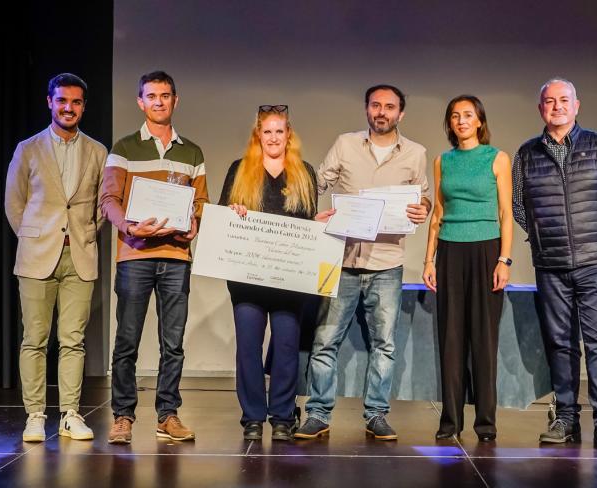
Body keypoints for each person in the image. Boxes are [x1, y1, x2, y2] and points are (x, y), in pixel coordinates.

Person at [294, 84, 431, 441]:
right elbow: (315, 183)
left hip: (387, 262)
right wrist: (309, 211)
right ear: (367, 109)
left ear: (400, 113)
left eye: (389, 107)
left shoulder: (415, 153)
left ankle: (377, 415)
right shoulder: (345, 144)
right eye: (375, 105)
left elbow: (424, 199)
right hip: (341, 259)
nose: (381, 112)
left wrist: (423, 209)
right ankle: (319, 414)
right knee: (325, 341)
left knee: (384, 344)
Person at [513, 78, 597, 451]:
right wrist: (543, 236)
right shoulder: (527, 153)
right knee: (561, 343)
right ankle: (565, 417)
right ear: (540, 109)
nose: (557, 106)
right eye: (549, 101)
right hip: (551, 263)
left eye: (564, 100)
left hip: (596, 261)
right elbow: (519, 206)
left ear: (577, 106)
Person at [100, 71, 208, 444]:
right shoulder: (125, 148)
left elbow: (201, 204)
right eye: (151, 96)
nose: (159, 102)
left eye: (165, 95)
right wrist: (130, 228)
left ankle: (168, 414)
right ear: (140, 102)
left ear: (175, 101)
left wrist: (193, 224)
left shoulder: (192, 151)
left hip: (177, 257)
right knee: (127, 339)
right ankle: (123, 416)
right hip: (135, 255)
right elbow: (108, 201)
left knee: (172, 342)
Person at [219, 104, 332, 441]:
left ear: (288, 135)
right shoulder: (240, 170)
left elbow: (307, 225)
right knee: (249, 347)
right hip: (247, 279)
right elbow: (224, 216)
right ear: (259, 135)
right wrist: (233, 210)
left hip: (290, 279)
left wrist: (318, 225)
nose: (273, 137)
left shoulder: (304, 172)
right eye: (267, 131)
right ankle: (252, 417)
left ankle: (282, 416)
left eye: (279, 131)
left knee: (286, 348)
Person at [5, 73, 107, 442]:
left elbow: (100, 206)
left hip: (79, 255)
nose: (69, 107)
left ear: (83, 106)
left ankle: (69, 414)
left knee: (73, 339)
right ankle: (34, 415)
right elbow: (14, 203)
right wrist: (35, 238)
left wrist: (82, 236)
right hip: (36, 256)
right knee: (34, 338)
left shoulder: (97, 151)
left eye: (76, 102)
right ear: (49, 102)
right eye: (62, 100)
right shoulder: (28, 148)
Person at [422, 95, 513, 442]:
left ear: (479, 121)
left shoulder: (497, 158)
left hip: (486, 250)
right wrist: (429, 259)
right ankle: (450, 422)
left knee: (483, 340)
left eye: (468, 115)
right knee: (451, 339)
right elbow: (438, 215)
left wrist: (504, 259)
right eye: (455, 116)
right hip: (450, 251)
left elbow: (506, 214)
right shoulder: (442, 161)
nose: (461, 121)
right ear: (450, 123)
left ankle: (486, 424)